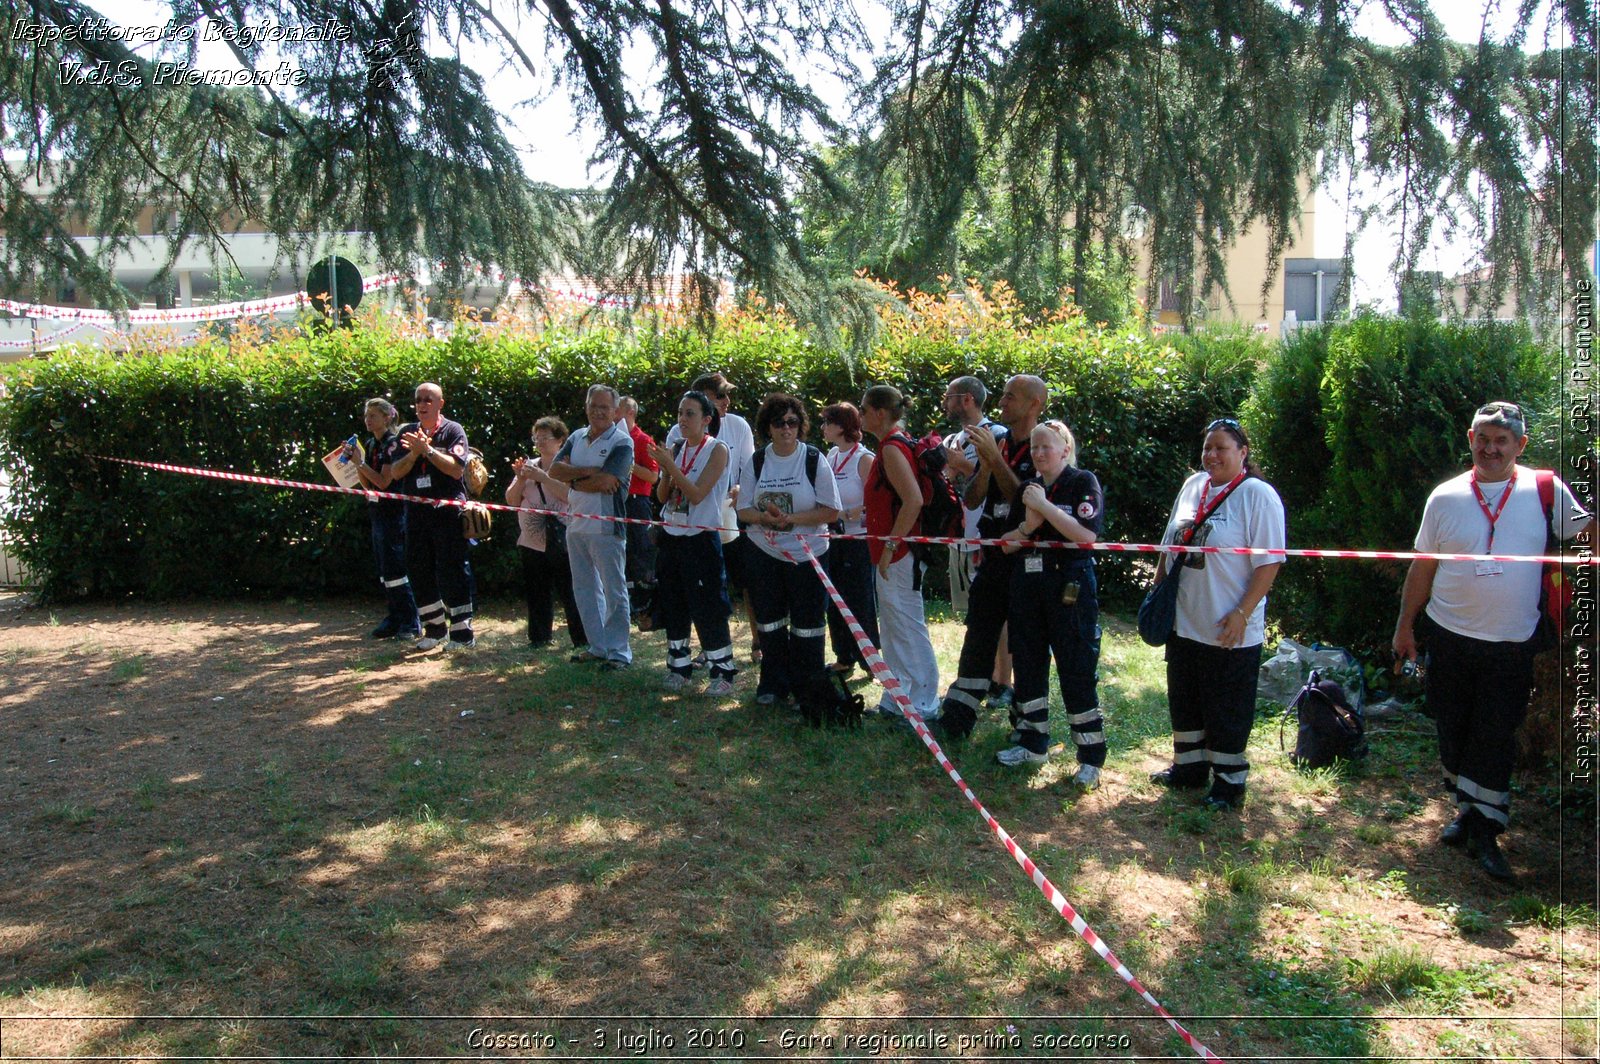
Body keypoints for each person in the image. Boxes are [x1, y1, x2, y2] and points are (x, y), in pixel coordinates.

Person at [1392, 401, 1593, 880]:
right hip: (1450, 634)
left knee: (1495, 732)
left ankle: (1486, 830)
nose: (1491, 448)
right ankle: (1468, 809)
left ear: (1520, 446)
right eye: (1484, 438)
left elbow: (1588, 535)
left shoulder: (1547, 491)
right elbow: (1423, 567)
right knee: (1453, 727)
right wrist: (1405, 626)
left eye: (1502, 440)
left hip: (1512, 640)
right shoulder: (1444, 497)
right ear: (1470, 440)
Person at [1149, 417, 1285, 811]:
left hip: (1229, 626)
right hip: (1184, 620)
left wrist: (1243, 613)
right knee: (1185, 697)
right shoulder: (1193, 486)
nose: (1211, 455)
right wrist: (1158, 589)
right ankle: (1188, 769)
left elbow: (1269, 563)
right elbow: (1169, 545)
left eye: (1221, 448)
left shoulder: (1257, 495)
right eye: (1207, 447)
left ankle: (1228, 784)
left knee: (1226, 705)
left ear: (1243, 453)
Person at [935, 375, 1046, 738]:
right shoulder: (999, 441)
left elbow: (1024, 498)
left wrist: (995, 460)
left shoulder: (1044, 447)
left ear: (1034, 404)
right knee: (978, 634)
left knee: (1026, 645)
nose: (1001, 403)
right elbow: (972, 499)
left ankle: (1029, 729)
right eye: (1001, 396)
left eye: (1010, 397)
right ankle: (957, 717)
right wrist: (985, 464)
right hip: (993, 557)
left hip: (1028, 565)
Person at [995, 421, 1105, 786]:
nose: (1040, 453)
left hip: (1069, 586)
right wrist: (1028, 526)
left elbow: (1087, 536)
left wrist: (1047, 509)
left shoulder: (1081, 481)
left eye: (1048, 447)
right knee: (1027, 660)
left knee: (1076, 664)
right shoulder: (1028, 488)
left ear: (1065, 448)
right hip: (1027, 585)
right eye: (1035, 447)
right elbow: (1008, 543)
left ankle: (1090, 756)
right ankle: (1032, 741)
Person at [735, 393, 841, 706]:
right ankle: (773, 684)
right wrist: (764, 519)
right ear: (768, 427)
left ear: (800, 426)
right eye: (779, 423)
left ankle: (807, 688)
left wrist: (791, 520)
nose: (786, 429)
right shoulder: (757, 460)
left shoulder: (812, 459)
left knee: (808, 625)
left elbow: (831, 511)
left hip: (808, 555)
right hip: (764, 553)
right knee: (770, 621)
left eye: (792, 422)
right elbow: (743, 510)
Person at [860, 385, 942, 721]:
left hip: (899, 553)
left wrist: (891, 545)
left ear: (879, 413)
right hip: (891, 551)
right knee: (893, 626)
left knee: (907, 625)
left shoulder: (893, 448)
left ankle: (924, 702)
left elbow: (914, 501)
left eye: (864, 409)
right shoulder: (892, 445)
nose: (860, 415)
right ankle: (899, 696)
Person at [650, 391, 738, 694]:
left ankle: (722, 672)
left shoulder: (717, 450)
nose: (683, 420)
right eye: (680, 413)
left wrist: (671, 466)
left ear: (706, 419)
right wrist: (666, 471)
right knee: (674, 603)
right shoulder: (676, 448)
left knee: (708, 606)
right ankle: (679, 667)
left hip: (701, 539)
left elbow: (698, 494)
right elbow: (662, 497)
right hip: (672, 536)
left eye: (690, 414)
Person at [669, 372, 758, 659]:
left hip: (730, 515)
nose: (727, 401)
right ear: (704, 399)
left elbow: (749, 467)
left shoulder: (738, 425)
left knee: (746, 582)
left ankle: (758, 643)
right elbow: (670, 482)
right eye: (720, 395)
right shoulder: (677, 433)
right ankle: (709, 648)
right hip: (693, 522)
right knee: (701, 586)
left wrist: (740, 488)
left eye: (726, 394)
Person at [549, 384, 635, 671]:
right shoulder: (576, 436)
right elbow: (555, 471)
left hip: (607, 526)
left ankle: (619, 652)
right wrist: (587, 474)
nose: (599, 412)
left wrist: (574, 478)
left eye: (605, 407)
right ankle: (598, 646)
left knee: (614, 590)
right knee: (584, 588)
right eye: (594, 406)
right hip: (576, 524)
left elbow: (609, 481)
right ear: (586, 408)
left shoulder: (622, 442)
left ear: (615, 411)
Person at [941, 375, 1015, 707]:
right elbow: (956, 484)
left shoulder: (996, 434)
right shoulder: (957, 437)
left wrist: (960, 464)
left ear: (967, 399)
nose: (944, 402)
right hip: (965, 535)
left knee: (999, 613)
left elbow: (1004, 481)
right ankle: (984, 678)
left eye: (950, 396)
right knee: (979, 611)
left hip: (990, 536)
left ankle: (1003, 682)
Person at [386, 382, 475, 650]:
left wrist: (428, 451)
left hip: (447, 512)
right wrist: (414, 453)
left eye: (428, 400)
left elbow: (456, 470)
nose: (422, 405)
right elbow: (396, 472)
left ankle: (463, 634)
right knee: (418, 568)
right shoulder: (407, 432)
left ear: (440, 404)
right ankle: (434, 629)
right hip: (416, 513)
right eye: (418, 400)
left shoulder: (453, 430)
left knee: (452, 569)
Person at [506, 416, 587, 650]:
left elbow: (570, 496)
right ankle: (539, 637)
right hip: (532, 540)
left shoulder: (566, 466)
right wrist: (522, 478)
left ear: (560, 440)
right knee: (536, 589)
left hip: (564, 537)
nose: (540, 442)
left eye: (545, 437)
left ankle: (581, 639)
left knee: (570, 590)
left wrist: (543, 477)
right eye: (536, 438)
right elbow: (511, 500)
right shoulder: (528, 465)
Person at [345, 397, 419, 640]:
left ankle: (410, 621)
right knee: (384, 569)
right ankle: (394, 616)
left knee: (396, 567)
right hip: (377, 513)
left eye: (373, 416)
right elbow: (369, 485)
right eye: (366, 416)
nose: (368, 420)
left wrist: (361, 463)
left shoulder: (393, 444)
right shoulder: (370, 443)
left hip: (394, 514)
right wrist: (357, 464)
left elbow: (385, 482)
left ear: (387, 417)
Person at [820, 402, 879, 675]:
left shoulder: (863, 458)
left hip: (857, 541)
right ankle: (844, 656)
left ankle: (870, 659)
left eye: (826, 422)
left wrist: (856, 512)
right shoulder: (831, 455)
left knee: (860, 599)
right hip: (833, 538)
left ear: (841, 426)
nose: (822, 428)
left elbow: (877, 502)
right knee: (835, 599)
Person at [617, 396, 661, 623]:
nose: (615, 416)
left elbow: (653, 476)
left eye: (619, 411)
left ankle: (643, 603)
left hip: (637, 502)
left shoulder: (643, 440)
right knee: (620, 553)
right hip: (617, 500)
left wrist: (628, 464)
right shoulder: (612, 438)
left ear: (631, 413)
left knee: (641, 552)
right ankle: (626, 603)